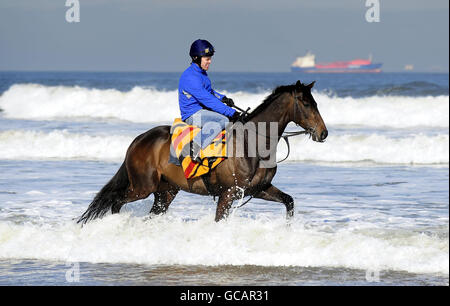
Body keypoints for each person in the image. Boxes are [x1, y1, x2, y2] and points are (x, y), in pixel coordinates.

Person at [178, 39, 241, 161]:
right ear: (196, 58)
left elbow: (210, 93)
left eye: (210, 58)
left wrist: (223, 98)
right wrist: (231, 112)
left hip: (202, 110)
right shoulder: (190, 77)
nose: (210, 62)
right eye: (207, 59)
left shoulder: (201, 74)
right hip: (192, 115)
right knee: (223, 120)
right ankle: (193, 148)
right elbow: (208, 100)